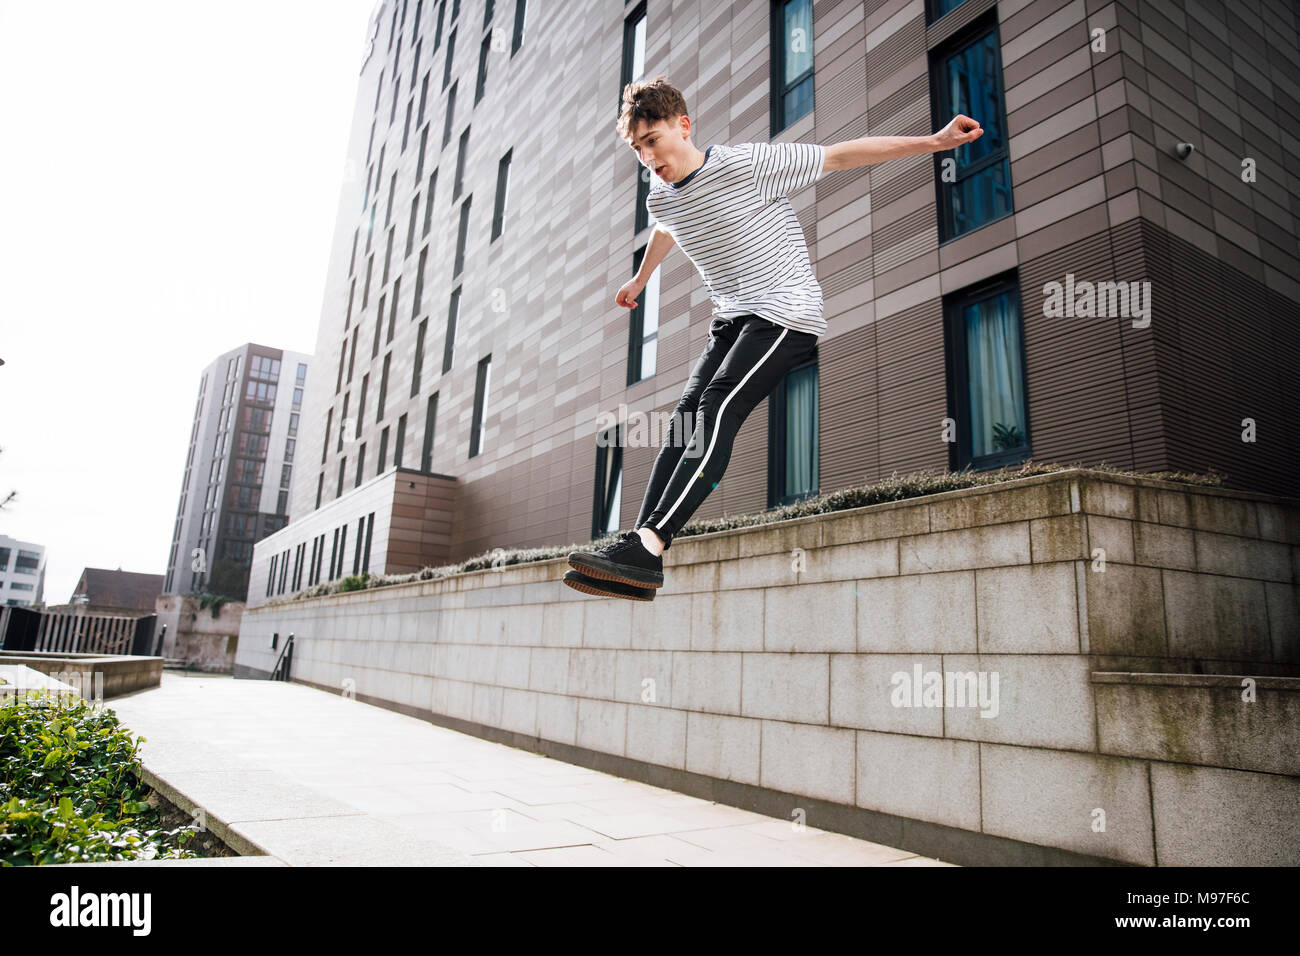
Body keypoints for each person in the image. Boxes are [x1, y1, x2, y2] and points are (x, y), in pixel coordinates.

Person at [566, 75, 982, 601]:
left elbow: (840, 157)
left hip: (786, 312)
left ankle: (651, 542)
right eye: (638, 149)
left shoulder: (747, 165)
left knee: (717, 407)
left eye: (653, 142)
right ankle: (639, 557)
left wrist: (935, 142)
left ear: (683, 126)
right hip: (733, 318)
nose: (648, 157)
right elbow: (668, 225)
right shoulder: (660, 196)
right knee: (683, 420)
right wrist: (641, 278)